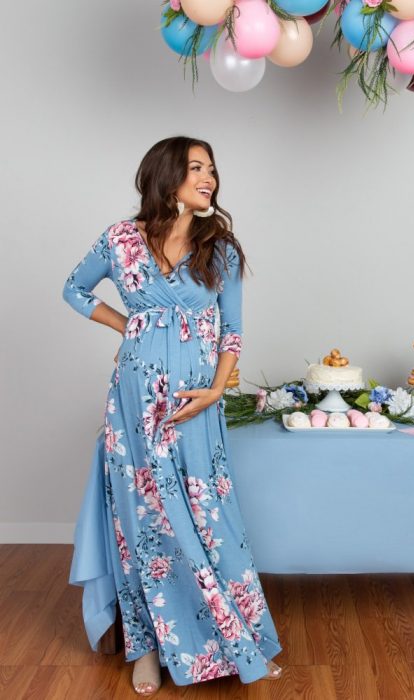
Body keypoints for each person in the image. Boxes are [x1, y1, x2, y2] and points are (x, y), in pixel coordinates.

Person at [62, 136, 282, 695]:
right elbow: (74, 288)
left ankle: (240, 637)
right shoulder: (120, 240)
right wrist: (126, 326)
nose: (209, 177)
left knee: (210, 516)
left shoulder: (220, 248)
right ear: (166, 176)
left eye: (212, 169)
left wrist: (214, 391)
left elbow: (232, 332)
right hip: (135, 401)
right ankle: (148, 646)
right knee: (142, 520)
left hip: (195, 405)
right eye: (196, 168)